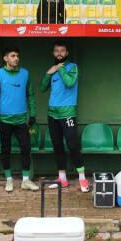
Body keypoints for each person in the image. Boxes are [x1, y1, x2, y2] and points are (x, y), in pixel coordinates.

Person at [39, 41, 88, 193]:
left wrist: (60, 69)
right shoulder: (53, 69)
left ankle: (82, 178)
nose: (59, 53)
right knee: (57, 146)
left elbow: (69, 82)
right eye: (56, 51)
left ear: (66, 53)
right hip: (52, 114)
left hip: (68, 113)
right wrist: (49, 72)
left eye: (62, 51)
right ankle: (62, 179)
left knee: (73, 145)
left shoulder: (72, 67)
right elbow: (42, 88)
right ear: (53, 53)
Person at [0, 46, 39, 193]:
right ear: (5, 58)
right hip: (4, 120)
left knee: (26, 148)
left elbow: (30, 95)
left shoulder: (25, 74)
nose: (16, 58)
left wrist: (33, 115)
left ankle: (25, 180)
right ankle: (9, 180)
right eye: (12, 56)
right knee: (6, 150)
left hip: (21, 120)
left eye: (17, 55)